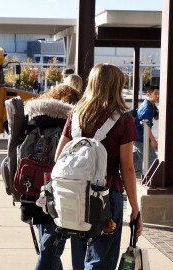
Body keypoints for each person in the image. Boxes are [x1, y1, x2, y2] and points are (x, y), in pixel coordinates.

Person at [54, 63, 143, 269]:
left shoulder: (76, 115)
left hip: (75, 195)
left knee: (79, 256)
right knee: (101, 259)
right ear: (117, 86)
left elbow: (59, 157)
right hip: (107, 196)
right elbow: (127, 168)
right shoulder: (123, 120)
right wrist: (135, 210)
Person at [23, 83, 82, 270]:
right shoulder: (72, 122)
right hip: (58, 193)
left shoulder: (34, 119)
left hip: (32, 190)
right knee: (50, 249)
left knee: (47, 247)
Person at [132, 85, 160, 175]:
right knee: (152, 160)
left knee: (135, 158)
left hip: (137, 137)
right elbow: (146, 126)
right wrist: (153, 140)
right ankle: (152, 181)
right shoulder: (147, 108)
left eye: (159, 94)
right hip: (141, 139)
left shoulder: (150, 105)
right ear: (148, 94)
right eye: (155, 93)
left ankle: (122, 172)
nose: (158, 96)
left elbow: (156, 116)